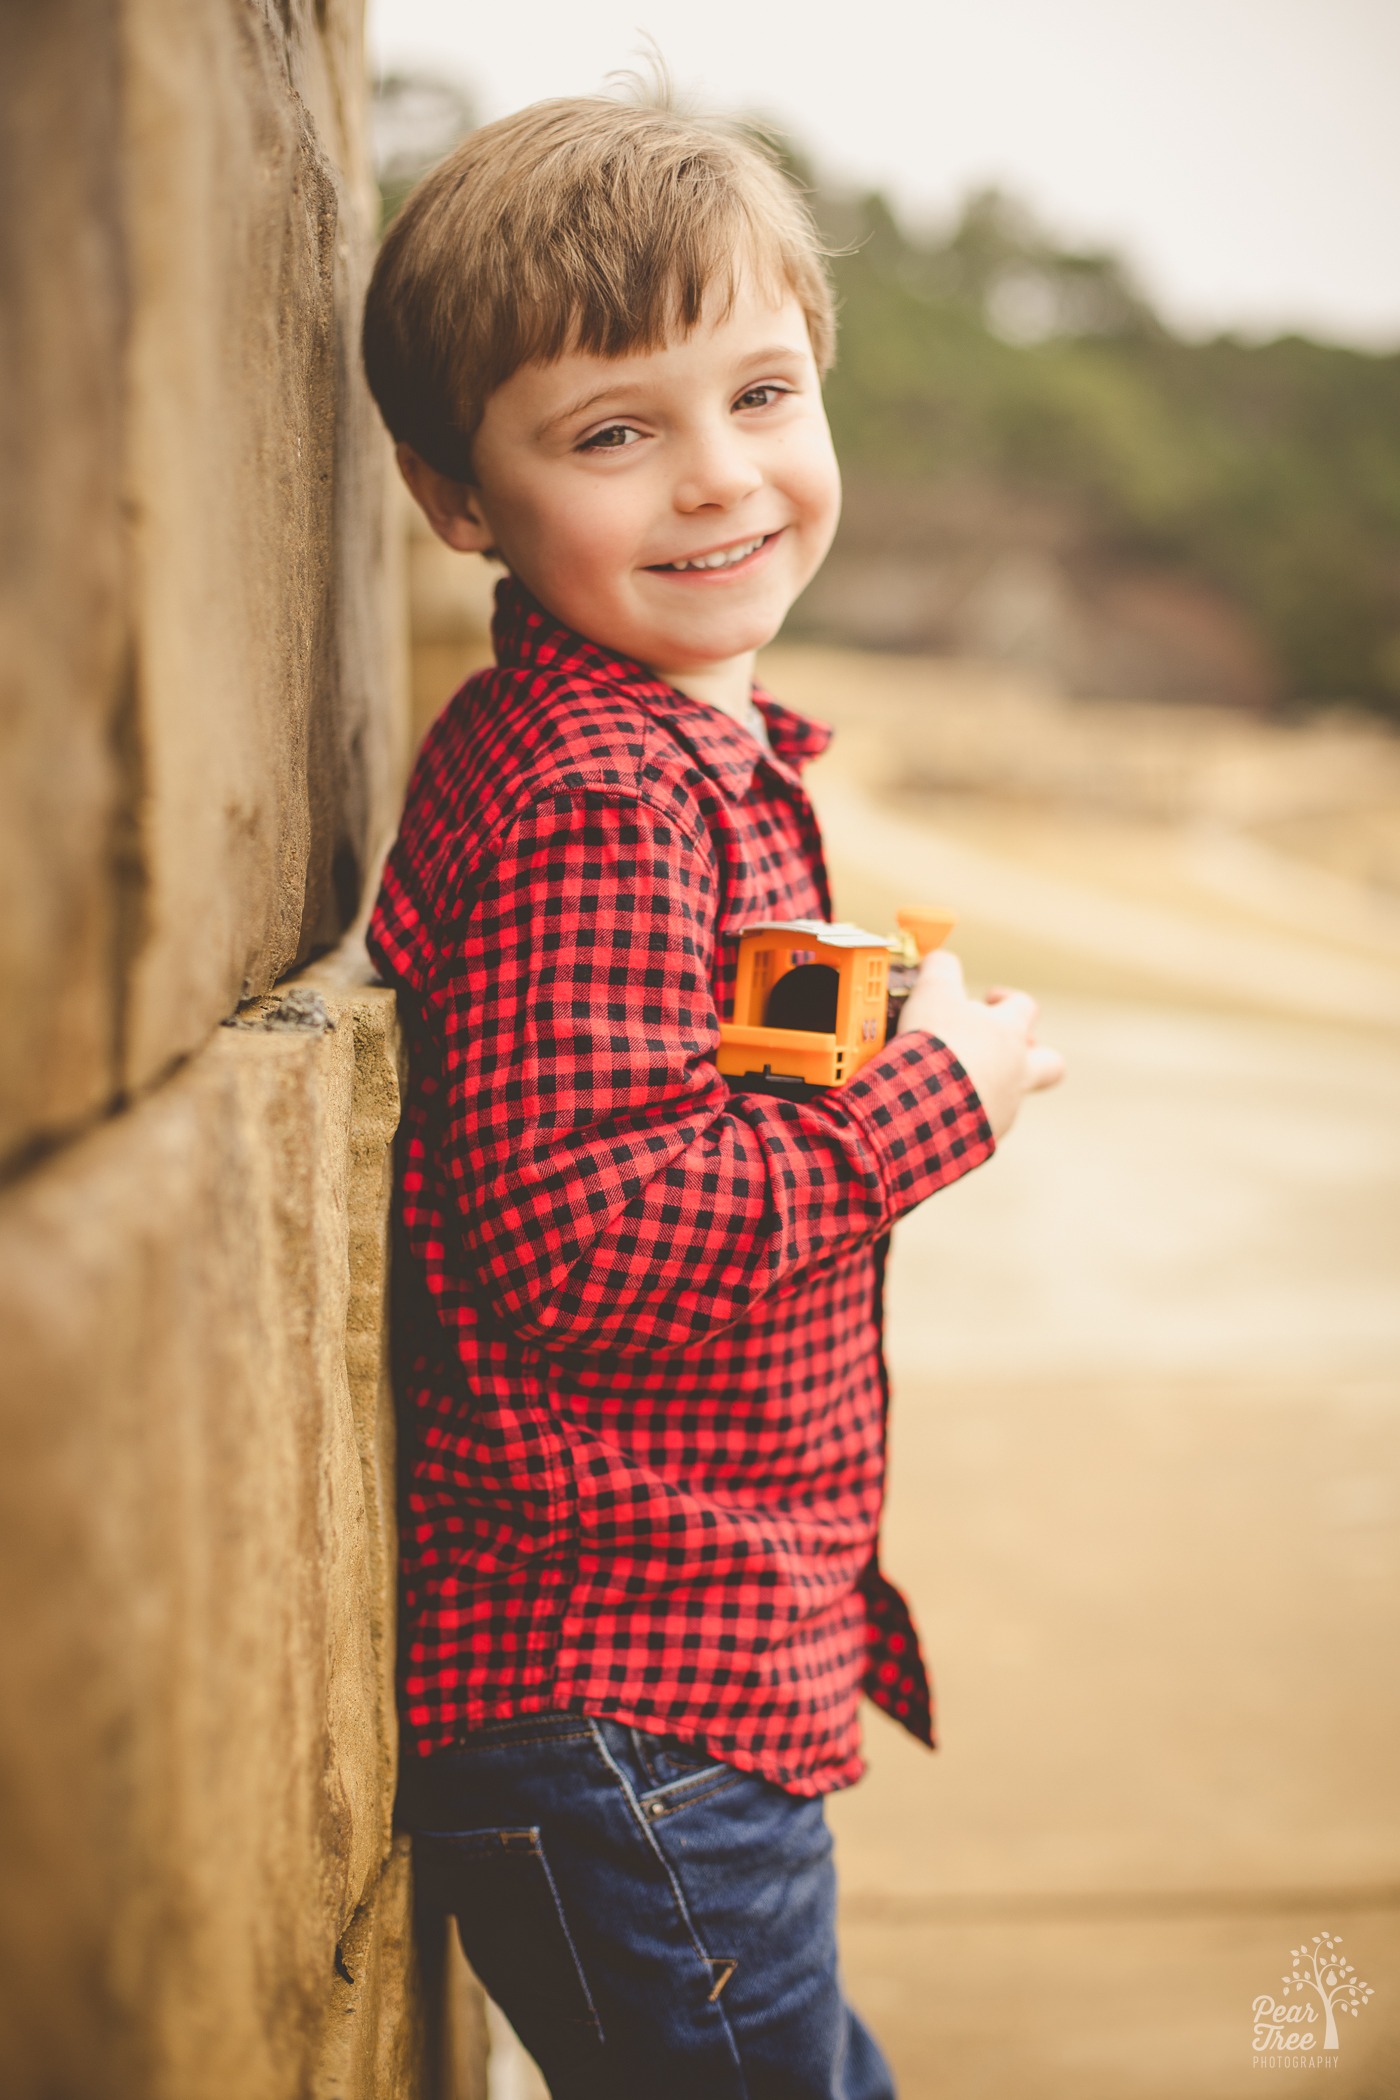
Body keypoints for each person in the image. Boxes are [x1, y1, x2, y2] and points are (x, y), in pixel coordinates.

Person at [361, 91, 1063, 2098]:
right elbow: (587, 1238)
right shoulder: (600, 791)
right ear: (455, 499)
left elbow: (654, 1102)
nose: (719, 479)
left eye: (759, 391)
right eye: (613, 431)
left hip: (662, 1698)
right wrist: (936, 1103)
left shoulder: (660, 752)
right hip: (625, 1710)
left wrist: (864, 1035)